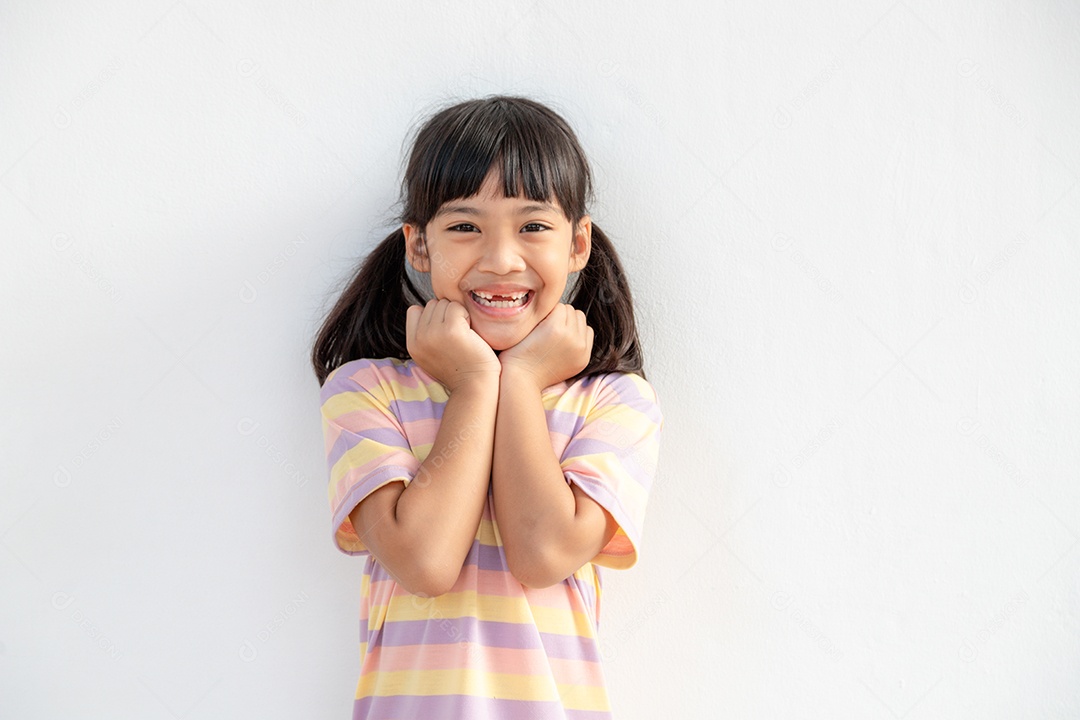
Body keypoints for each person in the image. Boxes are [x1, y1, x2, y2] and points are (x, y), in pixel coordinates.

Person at [312, 94, 664, 719]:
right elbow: (424, 562)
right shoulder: (366, 391)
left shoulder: (613, 401)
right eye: (465, 227)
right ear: (419, 247)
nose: (501, 259)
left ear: (578, 243)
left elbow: (544, 553)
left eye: (533, 226)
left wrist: (521, 380)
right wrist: (476, 384)